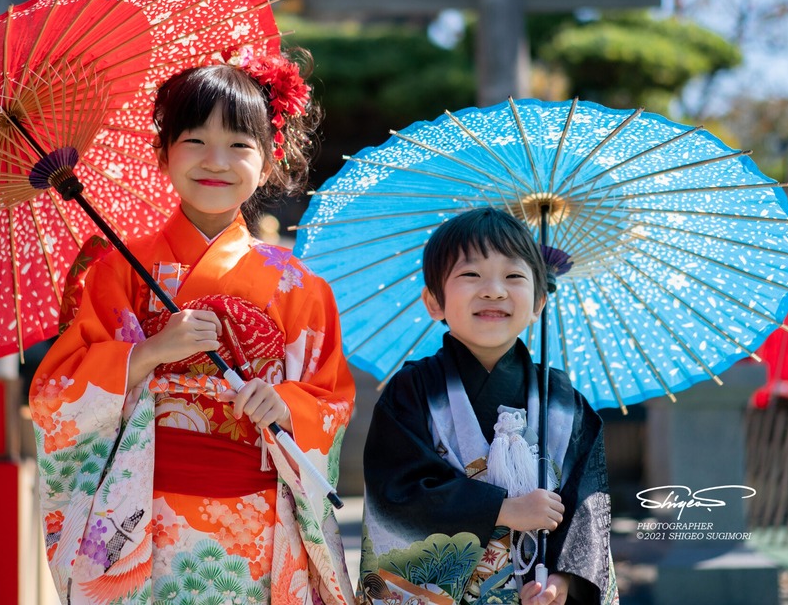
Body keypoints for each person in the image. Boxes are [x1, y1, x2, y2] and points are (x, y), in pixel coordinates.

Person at [30, 53, 356, 605]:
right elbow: (55, 395)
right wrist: (151, 352)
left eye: (239, 145)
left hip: (258, 524)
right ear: (162, 154)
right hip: (142, 516)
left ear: (269, 161)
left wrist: (283, 404)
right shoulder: (117, 270)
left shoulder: (301, 287)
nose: (216, 161)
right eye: (195, 141)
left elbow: (331, 400)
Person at [357, 208, 617, 605]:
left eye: (514, 276)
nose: (494, 290)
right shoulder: (413, 391)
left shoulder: (564, 403)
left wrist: (562, 584)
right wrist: (504, 509)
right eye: (470, 275)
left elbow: (587, 508)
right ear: (433, 301)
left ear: (539, 302)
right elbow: (396, 491)